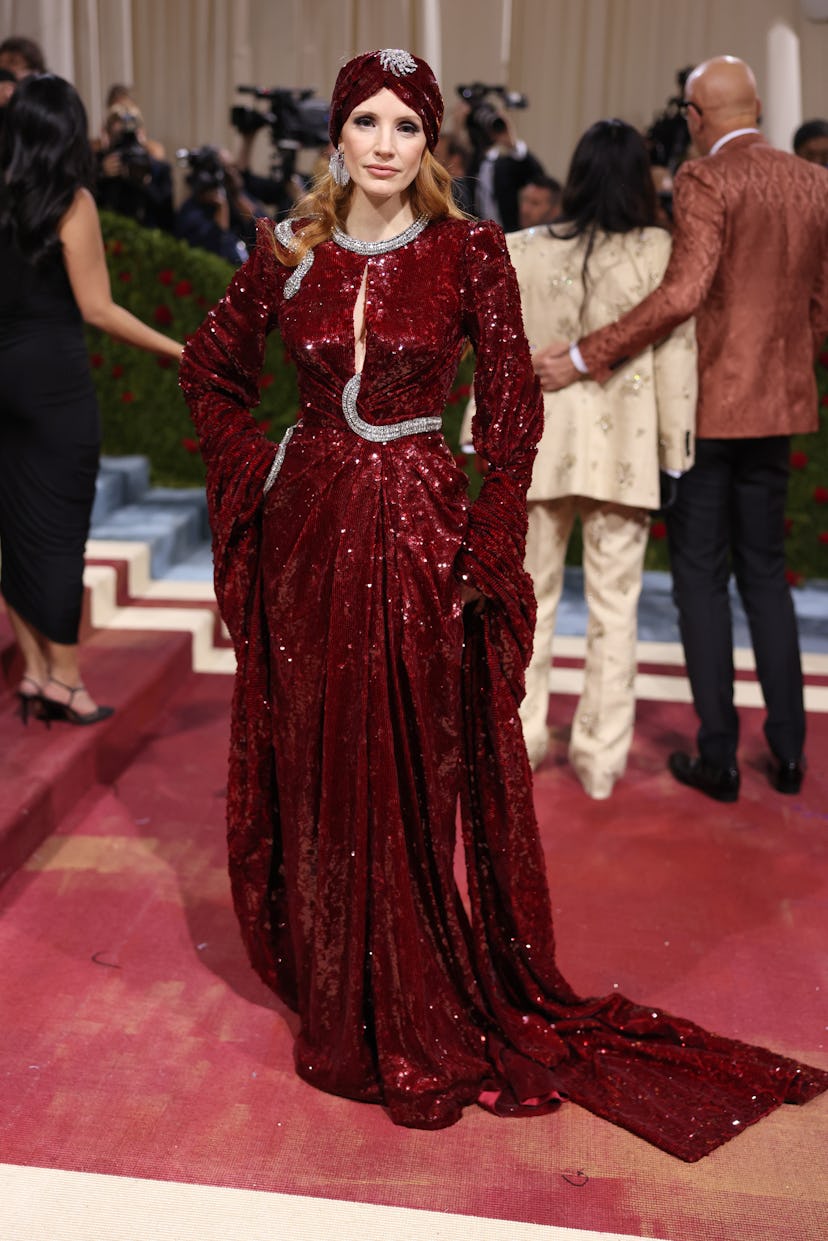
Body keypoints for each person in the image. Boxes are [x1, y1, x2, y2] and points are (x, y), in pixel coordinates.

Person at [180, 49, 827, 1157]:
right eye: (367, 122)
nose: (384, 144)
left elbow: (515, 407)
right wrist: (267, 466)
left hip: (423, 532)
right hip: (311, 545)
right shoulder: (288, 251)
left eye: (407, 127)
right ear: (338, 134)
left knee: (417, 760)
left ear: (433, 144)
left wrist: (487, 534)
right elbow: (209, 371)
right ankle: (342, 1000)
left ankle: (424, 983)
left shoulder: (468, 250)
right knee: (326, 759)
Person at [535, 56, 828, 802]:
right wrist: (790, 362)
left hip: (705, 410)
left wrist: (581, 354)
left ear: (695, 118)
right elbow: (821, 306)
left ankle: (720, 757)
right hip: (778, 405)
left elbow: (682, 294)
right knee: (766, 575)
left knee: (701, 578)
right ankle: (790, 753)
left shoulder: (704, 178)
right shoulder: (814, 181)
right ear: (757, 106)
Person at [464, 120, 696, 793]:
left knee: (526, 599)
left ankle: (523, 738)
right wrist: (676, 448)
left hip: (538, 448)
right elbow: (678, 350)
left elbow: (496, 349)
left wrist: (480, 426)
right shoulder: (660, 251)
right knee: (615, 608)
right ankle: (599, 760)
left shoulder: (524, 248)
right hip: (623, 449)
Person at [0, 74, 183, 724]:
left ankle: (37, 674)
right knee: (57, 533)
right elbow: (99, 309)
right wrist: (181, 351)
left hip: (5, 379)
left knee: (16, 530)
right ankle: (68, 682)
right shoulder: (69, 201)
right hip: (53, 386)